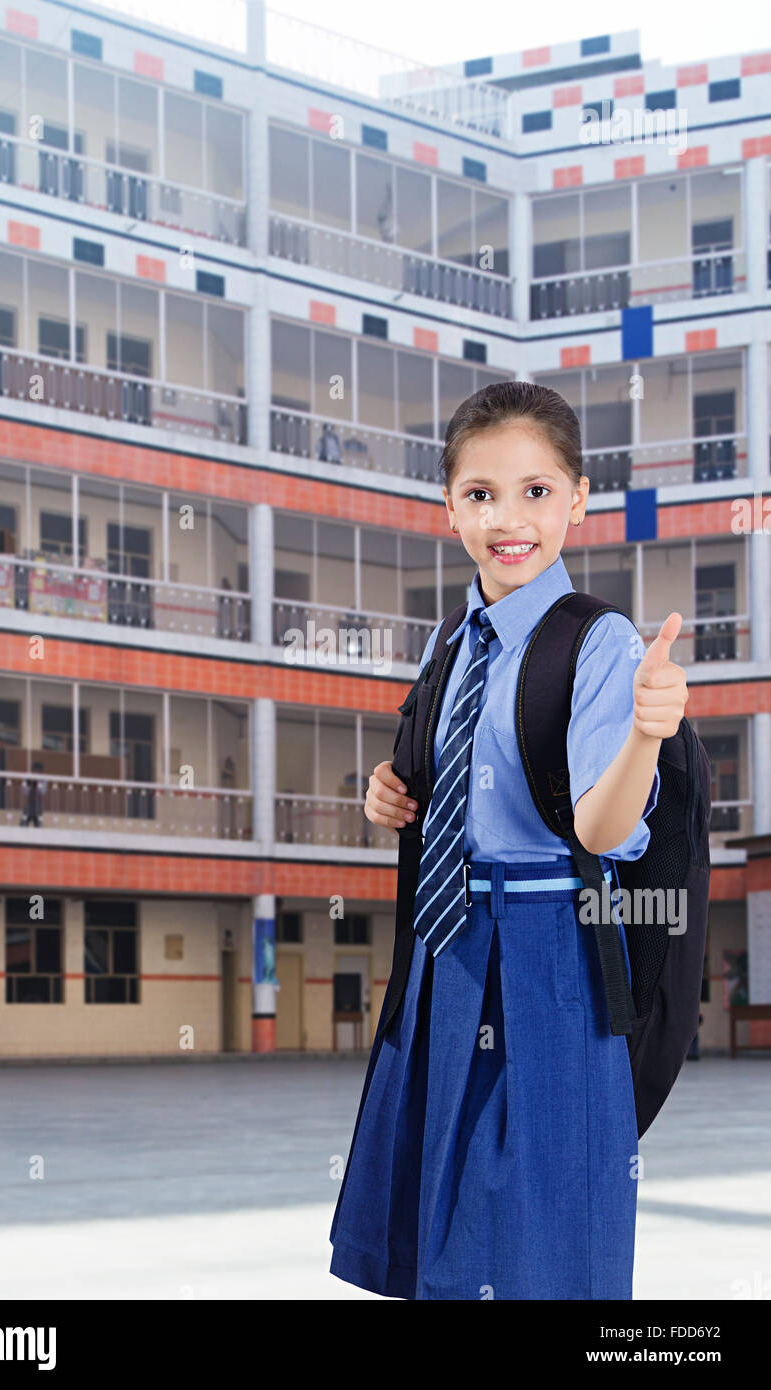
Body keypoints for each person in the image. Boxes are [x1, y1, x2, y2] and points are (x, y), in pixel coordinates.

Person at [328, 380, 689, 1301]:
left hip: (549, 955)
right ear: (449, 507)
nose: (508, 519)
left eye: (536, 491)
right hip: (445, 953)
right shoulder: (450, 644)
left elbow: (604, 832)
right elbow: (435, 774)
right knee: (439, 1228)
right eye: (481, 494)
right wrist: (387, 794)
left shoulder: (600, 643)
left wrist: (646, 734)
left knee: (545, 1231)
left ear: (576, 499)